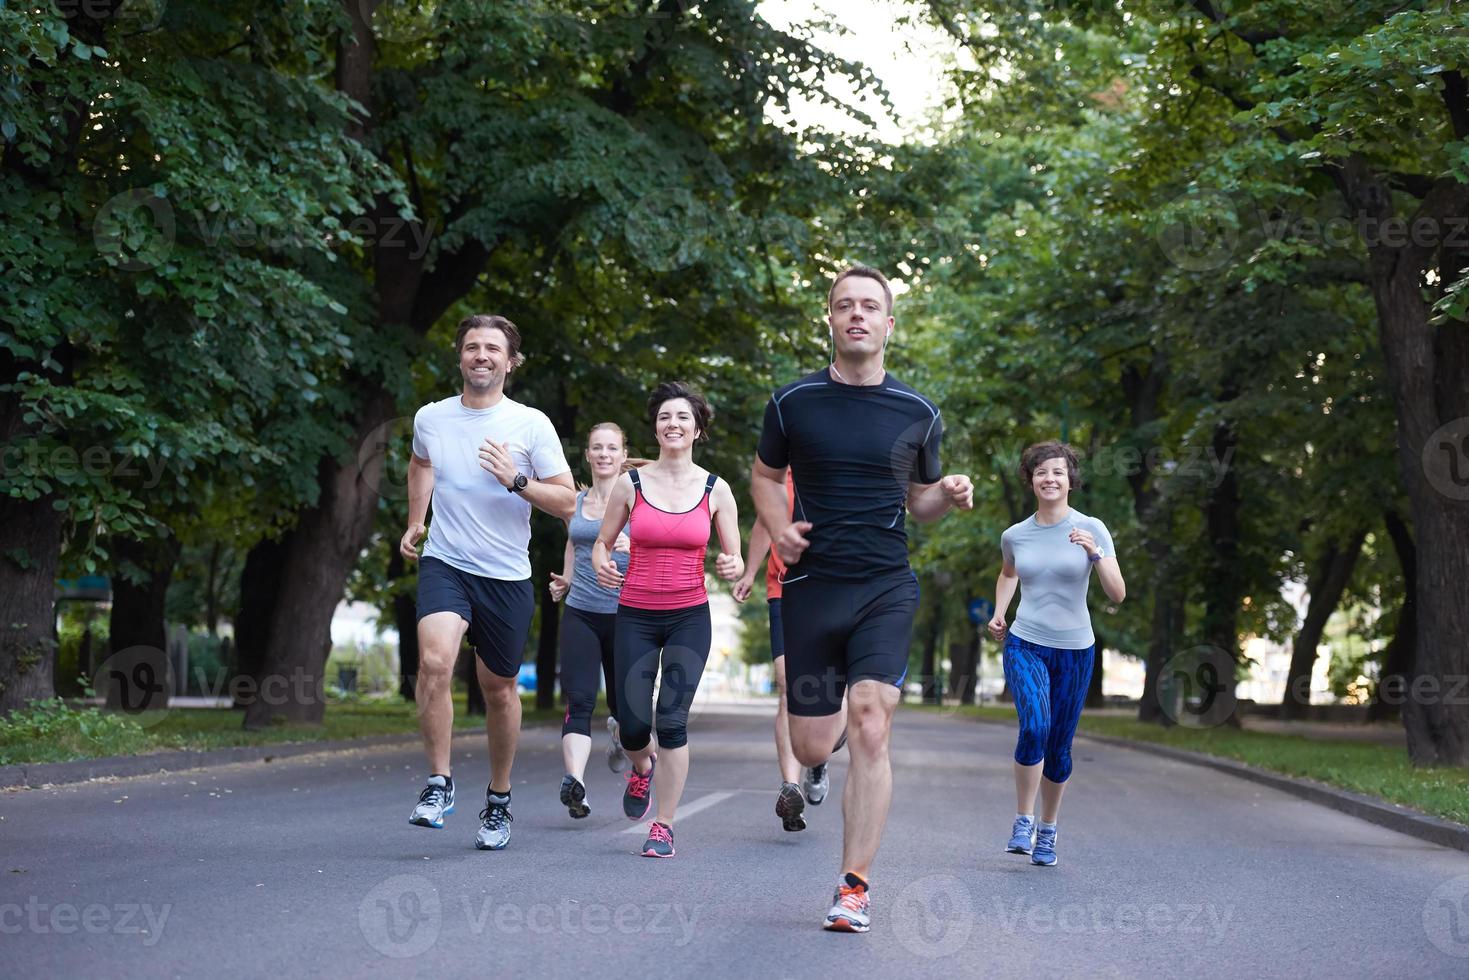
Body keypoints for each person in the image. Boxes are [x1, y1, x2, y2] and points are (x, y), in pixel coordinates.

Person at [751, 266, 973, 932]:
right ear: (828, 318)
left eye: (868, 306)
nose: (856, 315)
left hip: (883, 583)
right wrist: (778, 527)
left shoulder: (918, 412)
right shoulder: (792, 402)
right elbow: (763, 476)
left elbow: (920, 503)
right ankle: (830, 730)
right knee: (814, 747)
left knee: (873, 719)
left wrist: (949, 494)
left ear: (887, 324)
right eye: (844, 305)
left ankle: (853, 887)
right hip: (813, 587)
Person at [400, 313, 575, 851]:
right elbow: (419, 463)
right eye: (472, 346)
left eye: (492, 348)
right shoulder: (432, 417)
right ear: (460, 356)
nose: (481, 355)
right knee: (433, 661)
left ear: (510, 361)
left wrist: (515, 480)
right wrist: (416, 520)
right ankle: (439, 782)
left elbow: (569, 501)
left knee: (498, 690)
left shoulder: (531, 425)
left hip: (504, 573)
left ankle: (498, 799)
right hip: (445, 561)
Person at [593, 381, 743, 859]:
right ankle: (641, 766)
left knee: (672, 721)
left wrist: (732, 566)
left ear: (697, 429)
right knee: (635, 725)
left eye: (682, 417)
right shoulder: (629, 483)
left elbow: (735, 556)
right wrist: (600, 559)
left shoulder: (716, 489)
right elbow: (602, 541)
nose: (672, 424)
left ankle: (664, 824)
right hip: (635, 613)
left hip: (688, 617)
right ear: (655, 427)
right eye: (664, 417)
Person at [987, 441, 1125, 867]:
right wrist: (998, 613)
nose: (1050, 479)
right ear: (1030, 480)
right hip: (1026, 643)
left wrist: (1095, 554)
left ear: (1070, 480)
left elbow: (1117, 594)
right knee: (1035, 727)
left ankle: (1048, 830)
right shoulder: (1015, 535)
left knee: (1060, 745)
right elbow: (1008, 572)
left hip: (1075, 651)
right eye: (1041, 472)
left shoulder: (1093, 528)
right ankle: (1023, 820)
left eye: (1058, 472)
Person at [733, 471, 844, 833]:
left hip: (834, 589)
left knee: (832, 687)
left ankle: (817, 756)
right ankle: (790, 786)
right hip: (785, 587)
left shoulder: (842, 463)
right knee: (787, 685)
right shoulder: (780, 472)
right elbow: (766, 523)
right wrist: (749, 572)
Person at [548, 422, 638, 817]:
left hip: (627, 616)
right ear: (587, 455)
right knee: (579, 699)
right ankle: (576, 783)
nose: (603, 454)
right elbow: (573, 542)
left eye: (611, 448)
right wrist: (566, 580)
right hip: (581, 612)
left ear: (622, 455)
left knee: (626, 706)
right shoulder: (577, 500)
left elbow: (659, 547)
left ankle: (622, 734)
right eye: (596, 447)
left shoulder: (639, 501)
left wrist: (633, 544)